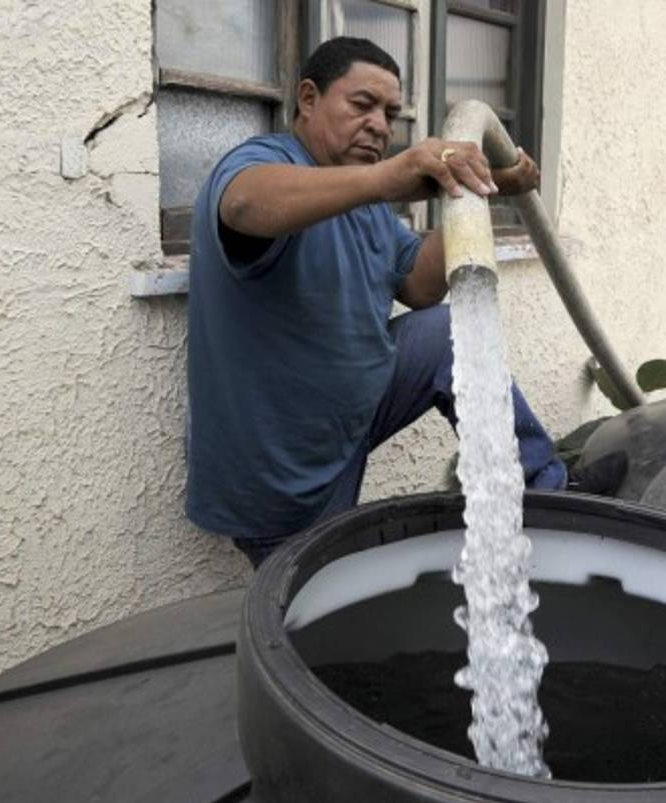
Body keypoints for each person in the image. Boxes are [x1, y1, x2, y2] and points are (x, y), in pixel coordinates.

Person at [185, 37, 568, 567]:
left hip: (351, 417)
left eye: (390, 114)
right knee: (310, 606)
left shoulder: (367, 203)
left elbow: (419, 286)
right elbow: (245, 204)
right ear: (308, 98)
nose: (380, 127)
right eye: (362, 105)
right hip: (281, 467)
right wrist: (390, 177)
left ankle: (550, 497)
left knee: (445, 330)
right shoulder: (266, 161)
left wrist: (482, 188)